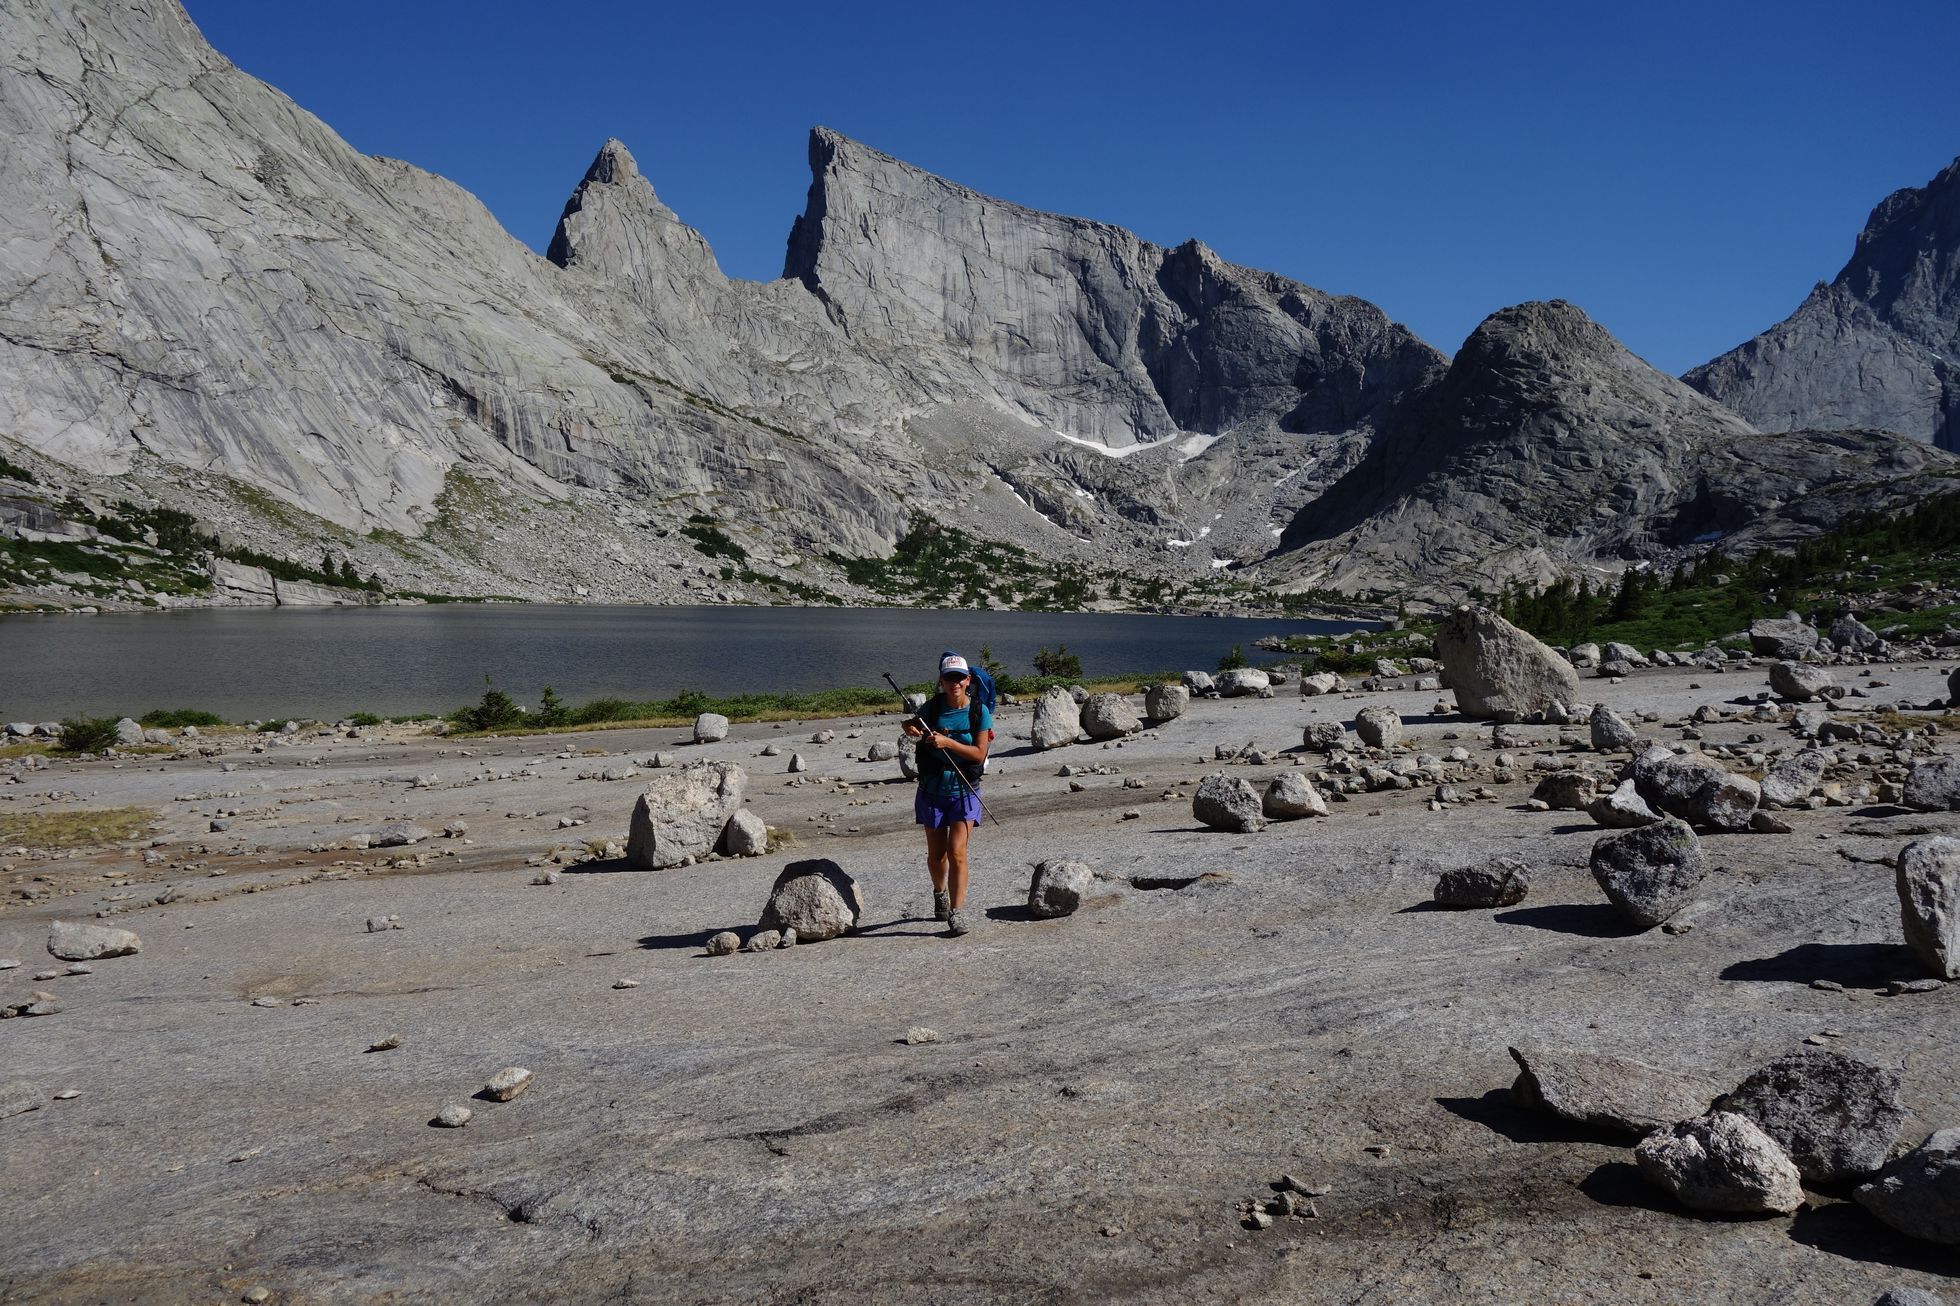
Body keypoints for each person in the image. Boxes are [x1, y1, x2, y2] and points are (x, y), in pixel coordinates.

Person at [902, 652, 993, 936]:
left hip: (965, 791)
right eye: (948, 677)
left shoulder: (979, 711)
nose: (954, 683)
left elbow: (979, 754)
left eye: (959, 678)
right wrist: (909, 727)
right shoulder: (932, 707)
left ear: (968, 680)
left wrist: (948, 743)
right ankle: (939, 892)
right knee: (936, 856)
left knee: (957, 853)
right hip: (932, 791)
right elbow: (911, 723)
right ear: (941, 680)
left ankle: (956, 912)